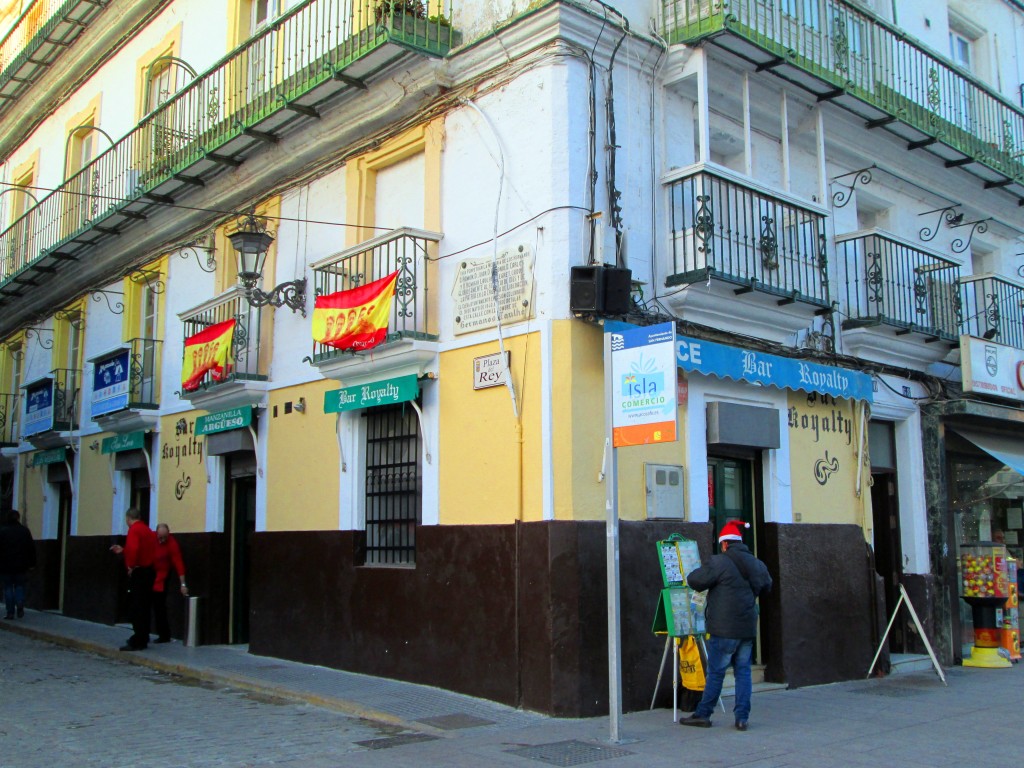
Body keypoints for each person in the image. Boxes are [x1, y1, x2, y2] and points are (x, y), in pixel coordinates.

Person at [680, 520, 772, 732]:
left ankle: (703, 714)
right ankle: (742, 718)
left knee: (716, 672)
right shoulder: (756, 563)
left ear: (724, 544)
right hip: (747, 628)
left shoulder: (719, 563)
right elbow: (767, 586)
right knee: (743, 672)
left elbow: (695, 580)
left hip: (723, 629)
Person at [109, 508, 157, 651]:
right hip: (149, 570)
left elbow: (134, 549)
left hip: (139, 571)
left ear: (128, 518)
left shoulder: (134, 530)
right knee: (145, 605)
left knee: (137, 606)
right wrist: (124, 551)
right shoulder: (147, 531)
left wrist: (130, 566)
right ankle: (144, 635)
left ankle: (138, 639)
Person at [153, 524, 188, 643]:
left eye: (164, 537)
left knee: (159, 605)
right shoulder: (151, 539)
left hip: (162, 577)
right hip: (150, 573)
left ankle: (164, 635)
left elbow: (179, 564)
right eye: (160, 537)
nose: (162, 540)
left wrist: (183, 584)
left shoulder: (172, 544)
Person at [0, 510, 36, 620]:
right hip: (21, 565)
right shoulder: (25, 531)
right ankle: (19, 602)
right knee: (20, 586)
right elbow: (31, 548)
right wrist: (32, 563)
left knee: (8, 588)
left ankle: (10, 612)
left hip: (5, 565)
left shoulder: (3, 531)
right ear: (18, 518)